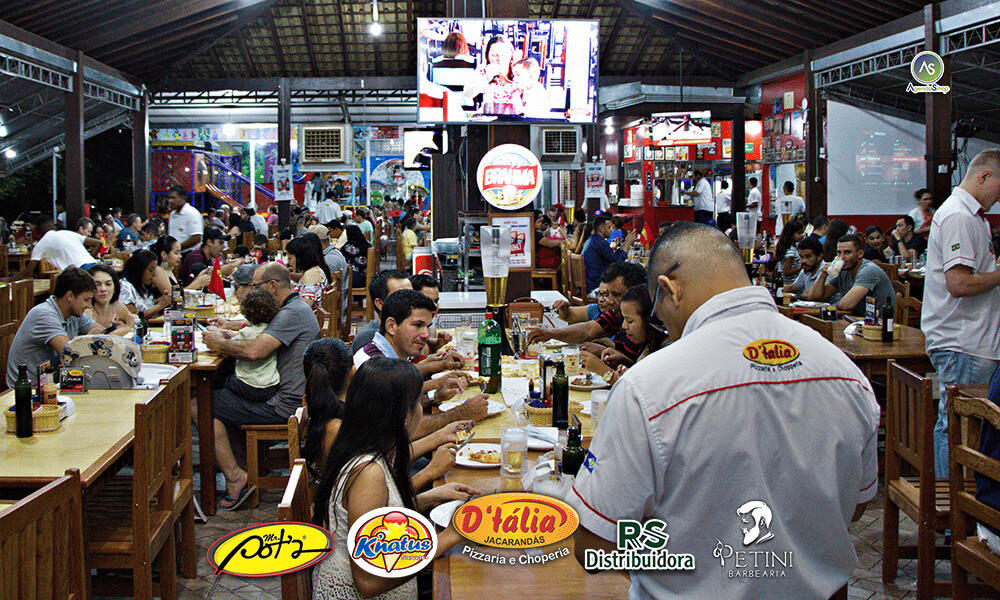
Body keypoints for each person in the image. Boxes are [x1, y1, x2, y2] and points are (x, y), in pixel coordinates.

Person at [570, 222, 879, 599]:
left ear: (670, 289)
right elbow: (857, 505)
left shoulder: (648, 387)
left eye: (657, 313)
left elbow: (594, 544)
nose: (663, 327)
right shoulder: (847, 374)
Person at [311, 357, 478, 600]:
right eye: (418, 402)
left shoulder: (369, 447)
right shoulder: (368, 473)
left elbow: (383, 520)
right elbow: (368, 582)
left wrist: (429, 497)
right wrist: (453, 535)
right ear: (404, 416)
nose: (421, 409)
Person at [203, 262, 321, 509]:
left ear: (273, 286)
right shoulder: (292, 307)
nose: (251, 292)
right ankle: (246, 465)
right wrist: (231, 329)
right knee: (223, 392)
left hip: (284, 406)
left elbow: (255, 351)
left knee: (200, 404)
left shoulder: (292, 312)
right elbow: (261, 331)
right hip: (290, 398)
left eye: (255, 286)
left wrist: (218, 343)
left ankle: (235, 476)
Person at [922, 149, 1000, 477]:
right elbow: (959, 283)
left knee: (964, 427)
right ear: (984, 176)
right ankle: (950, 503)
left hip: (971, 338)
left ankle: (958, 501)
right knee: (956, 427)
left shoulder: (972, 216)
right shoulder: (959, 216)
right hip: (963, 340)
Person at [528, 262, 647, 363]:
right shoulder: (616, 313)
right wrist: (549, 334)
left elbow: (638, 371)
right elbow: (587, 330)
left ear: (634, 293)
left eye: (615, 295)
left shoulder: (645, 323)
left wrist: (604, 355)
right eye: (607, 294)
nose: (608, 301)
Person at [6, 268, 102, 388]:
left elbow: (103, 333)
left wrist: (121, 328)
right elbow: (71, 354)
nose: (89, 306)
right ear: (70, 296)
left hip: (52, 383)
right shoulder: (44, 315)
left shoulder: (73, 312)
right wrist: (89, 339)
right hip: (28, 390)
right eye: (86, 300)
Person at [802, 233, 895, 317]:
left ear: (860, 254)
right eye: (839, 253)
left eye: (847, 252)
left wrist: (832, 307)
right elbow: (815, 297)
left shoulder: (868, 270)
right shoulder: (844, 271)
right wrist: (823, 275)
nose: (842, 257)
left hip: (880, 324)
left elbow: (845, 305)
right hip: (857, 321)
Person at [585, 284, 667, 377]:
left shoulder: (662, 354)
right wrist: (623, 360)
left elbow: (638, 385)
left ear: (649, 320)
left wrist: (604, 371)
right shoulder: (650, 344)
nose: (624, 326)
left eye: (629, 321)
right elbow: (638, 371)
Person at [223, 288, 281, 403]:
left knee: (223, 378)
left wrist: (219, 335)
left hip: (249, 386)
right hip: (270, 385)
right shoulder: (270, 330)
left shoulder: (246, 332)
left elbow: (230, 346)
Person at [10, 215, 101, 281]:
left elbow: (28, 273)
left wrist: (9, 280)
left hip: (80, 272)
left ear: (38, 232)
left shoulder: (41, 244)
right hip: (96, 268)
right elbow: (98, 243)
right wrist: (89, 258)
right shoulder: (67, 233)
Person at [352, 269, 412, 353]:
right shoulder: (370, 339)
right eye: (400, 297)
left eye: (411, 295)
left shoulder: (409, 329)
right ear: (380, 304)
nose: (410, 302)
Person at [463, 35, 520, 116]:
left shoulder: (518, 69)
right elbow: (468, 93)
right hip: (489, 116)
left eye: (503, 54)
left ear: (511, 55)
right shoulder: (484, 70)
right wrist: (486, 78)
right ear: (487, 56)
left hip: (515, 117)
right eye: (494, 55)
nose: (499, 59)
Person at [583, 215, 636, 294]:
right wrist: (627, 244)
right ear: (601, 228)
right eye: (609, 227)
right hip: (595, 286)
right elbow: (618, 263)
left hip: (588, 284)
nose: (611, 230)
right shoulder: (599, 242)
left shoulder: (592, 239)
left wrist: (624, 244)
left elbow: (612, 256)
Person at [119, 249, 172, 320]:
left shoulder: (142, 285)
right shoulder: (125, 286)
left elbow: (144, 306)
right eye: (151, 270)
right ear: (139, 269)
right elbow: (133, 317)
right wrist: (160, 305)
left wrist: (161, 300)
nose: (154, 274)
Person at [86, 263, 134, 336]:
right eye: (97, 284)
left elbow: (134, 321)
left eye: (108, 284)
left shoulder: (117, 307)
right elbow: (103, 337)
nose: (103, 289)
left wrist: (126, 326)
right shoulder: (87, 310)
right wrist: (126, 328)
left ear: (115, 287)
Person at [286, 234, 330, 310]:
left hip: (310, 316)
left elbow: (304, 307)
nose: (288, 262)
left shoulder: (311, 275)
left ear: (300, 257)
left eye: (290, 258)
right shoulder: (313, 270)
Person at [165, 185, 203, 252]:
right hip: (175, 253)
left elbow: (196, 237)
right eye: (169, 198)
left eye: (173, 198)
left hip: (189, 253)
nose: (170, 201)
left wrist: (177, 248)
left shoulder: (192, 213)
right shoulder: (172, 214)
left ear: (183, 198)